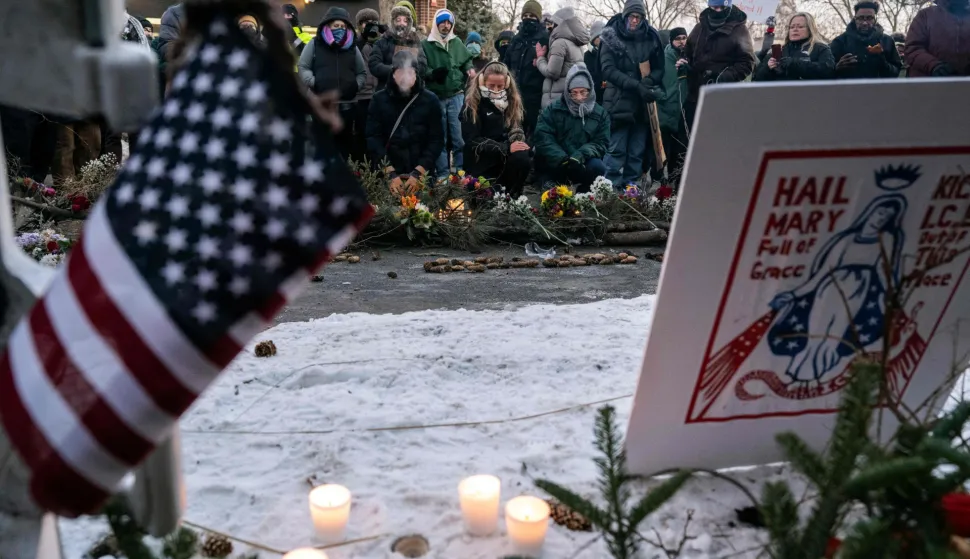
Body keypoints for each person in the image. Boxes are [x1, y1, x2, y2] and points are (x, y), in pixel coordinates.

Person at [599, 0, 664, 187]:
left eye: (639, 17)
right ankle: (608, 190)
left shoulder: (651, 37)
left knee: (637, 151)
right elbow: (608, 69)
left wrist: (649, 81)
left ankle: (631, 190)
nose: (635, 20)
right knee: (616, 150)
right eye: (632, 16)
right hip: (618, 101)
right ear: (625, 16)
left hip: (642, 105)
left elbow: (660, 68)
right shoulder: (610, 35)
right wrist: (636, 85)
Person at [367, 51, 444, 191]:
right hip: (387, 172)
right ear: (393, 73)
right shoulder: (379, 99)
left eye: (410, 72)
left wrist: (418, 173)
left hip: (422, 173)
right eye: (400, 72)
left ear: (416, 74)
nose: (405, 77)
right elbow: (373, 138)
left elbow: (436, 140)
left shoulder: (430, 100)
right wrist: (390, 173)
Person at [299, 7, 366, 161]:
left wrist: (355, 86)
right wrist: (314, 82)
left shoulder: (352, 47)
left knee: (345, 151)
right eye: (336, 25)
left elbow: (361, 72)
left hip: (347, 108)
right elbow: (303, 66)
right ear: (328, 25)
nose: (340, 29)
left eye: (343, 26)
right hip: (321, 107)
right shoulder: (315, 44)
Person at [534, 64, 610, 192]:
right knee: (541, 158)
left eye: (583, 92)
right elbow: (542, 136)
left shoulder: (600, 114)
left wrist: (580, 155)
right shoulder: (553, 109)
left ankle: (584, 191)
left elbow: (601, 142)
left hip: (582, 161)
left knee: (598, 167)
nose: (579, 98)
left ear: (590, 90)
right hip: (557, 161)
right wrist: (561, 158)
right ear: (567, 92)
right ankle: (549, 184)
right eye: (574, 93)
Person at [461, 62, 532, 196]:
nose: (496, 89)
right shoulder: (471, 105)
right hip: (481, 159)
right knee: (486, 197)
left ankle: (514, 193)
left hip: (505, 158)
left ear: (507, 83)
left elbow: (519, 128)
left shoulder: (513, 102)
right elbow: (472, 140)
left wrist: (520, 143)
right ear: (482, 81)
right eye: (491, 85)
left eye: (500, 86)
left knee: (523, 157)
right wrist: (505, 148)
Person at [683, 0, 755, 128]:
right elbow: (687, 51)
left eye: (722, 7)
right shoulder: (699, 28)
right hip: (695, 94)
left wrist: (722, 76)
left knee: (717, 132)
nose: (718, 10)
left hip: (722, 95)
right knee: (691, 133)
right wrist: (684, 62)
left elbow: (747, 62)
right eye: (715, 7)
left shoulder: (739, 30)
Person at [422, 9, 474, 177]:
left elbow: (466, 60)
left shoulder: (456, 42)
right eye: (442, 22)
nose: (446, 25)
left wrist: (469, 69)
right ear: (436, 24)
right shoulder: (426, 44)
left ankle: (460, 172)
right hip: (436, 96)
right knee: (440, 137)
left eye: (449, 23)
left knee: (459, 137)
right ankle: (443, 174)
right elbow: (421, 68)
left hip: (456, 95)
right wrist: (432, 74)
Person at [502, 0, 549, 138]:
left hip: (535, 96)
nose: (528, 18)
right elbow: (506, 64)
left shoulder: (545, 39)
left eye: (532, 15)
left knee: (535, 136)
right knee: (514, 134)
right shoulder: (516, 39)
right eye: (525, 15)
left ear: (538, 18)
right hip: (515, 95)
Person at [830, 2, 903, 79]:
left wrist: (883, 63)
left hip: (879, 86)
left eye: (869, 18)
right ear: (855, 19)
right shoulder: (839, 42)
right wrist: (837, 67)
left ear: (875, 20)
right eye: (861, 18)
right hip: (849, 86)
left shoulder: (887, 41)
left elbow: (897, 73)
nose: (865, 23)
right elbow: (826, 73)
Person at [753, 12, 834, 81]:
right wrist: (768, 68)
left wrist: (795, 64)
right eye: (792, 27)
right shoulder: (778, 50)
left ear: (810, 29)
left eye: (800, 27)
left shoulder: (821, 48)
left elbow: (828, 71)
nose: (795, 29)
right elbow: (756, 80)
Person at [536, 8, 590, 109]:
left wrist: (540, 59)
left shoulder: (559, 43)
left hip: (556, 100)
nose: (551, 27)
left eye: (554, 23)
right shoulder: (577, 43)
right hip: (571, 95)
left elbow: (552, 73)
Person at [369, 2, 428, 91]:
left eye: (405, 21)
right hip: (387, 90)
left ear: (409, 23)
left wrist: (409, 71)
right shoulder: (383, 41)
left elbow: (423, 65)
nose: (402, 23)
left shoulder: (415, 41)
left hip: (412, 92)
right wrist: (395, 70)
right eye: (398, 20)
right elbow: (374, 65)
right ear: (393, 22)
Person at [905, 0, 970, 77]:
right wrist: (933, 65)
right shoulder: (925, 15)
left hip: (966, 80)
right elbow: (912, 48)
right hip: (928, 80)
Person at [658, 27, 689, 187]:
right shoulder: (664, 58)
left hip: (684, 113)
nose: (682, 41)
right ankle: (662, 184)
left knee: (680, 152)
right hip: (666, 112)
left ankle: (677, 184)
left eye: (684, 38)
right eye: (678, 39)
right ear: (671, 41)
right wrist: (663, 98)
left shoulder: (690, 56)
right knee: (666, 152)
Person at [356, 8, 384, 162]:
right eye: (365, 22)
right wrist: (363, 37)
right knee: (362, 133)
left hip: (379, 93)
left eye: (373, 22)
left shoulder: (381, 42)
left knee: (378, 134)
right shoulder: (356, 42)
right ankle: (362, 167)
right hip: (362, 95)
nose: (369, 25)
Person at [585, 20, 607, 105]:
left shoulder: (610, 54)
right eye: (600, 36)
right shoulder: (587, 56)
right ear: (594, 39)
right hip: (594, 100)